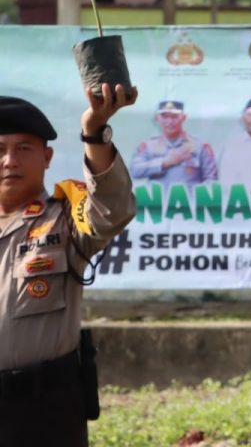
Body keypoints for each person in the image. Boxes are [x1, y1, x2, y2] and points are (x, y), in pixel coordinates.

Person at [0, 84, 138, 447]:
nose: (9, 161)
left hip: (43, 409)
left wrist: (95, 131)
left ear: (46, 158)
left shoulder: (66, 218)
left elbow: (112, 209)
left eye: (23, 149)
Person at [129, 100, 217, 186]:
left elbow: (211, 180)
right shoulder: (148, 146)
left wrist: (199, 199)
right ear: (157, 118)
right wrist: (164, 163)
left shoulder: (200, 146)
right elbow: (135, 171)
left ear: (184, 117)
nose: (170, 121)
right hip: (157, 200)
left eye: (175, 116)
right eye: (165, 116)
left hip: (189, 200)